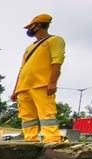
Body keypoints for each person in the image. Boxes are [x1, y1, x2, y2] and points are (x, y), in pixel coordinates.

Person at [11, 14, 65, 143]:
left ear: (39, 25)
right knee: (26, 116)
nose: (28, 29)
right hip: (23, 87)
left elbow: (56, 62)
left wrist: (53, 82)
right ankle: (30, 139)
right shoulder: (29, 48)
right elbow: (22, 69)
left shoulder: (55, 40)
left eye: (31, 26)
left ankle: (51, 139)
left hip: (41, 84)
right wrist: (15, 90)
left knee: (46, 113)